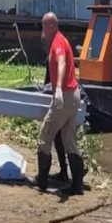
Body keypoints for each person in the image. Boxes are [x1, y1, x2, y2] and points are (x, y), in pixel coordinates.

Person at [34, 12, 83, 195]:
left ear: (51, 26)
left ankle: (42, 181)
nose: (42, 30)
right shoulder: (59, 40)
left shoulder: (58, 43)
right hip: (74, 96)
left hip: (66, 96)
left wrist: (59, 88)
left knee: (44, 137)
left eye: (44, 26)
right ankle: (76, 186)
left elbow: (61, 63)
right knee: (69, 140)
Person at [43, 42, 69, 183]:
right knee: (61, 137)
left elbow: (50, 80)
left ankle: (62, 171)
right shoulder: (53, 55)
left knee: (54, 136)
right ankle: (65, 170)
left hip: (60, 99)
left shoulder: (55, 55)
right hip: (62, 97)